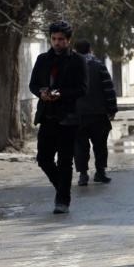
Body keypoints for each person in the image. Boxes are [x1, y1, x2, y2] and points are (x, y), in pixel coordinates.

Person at [29, 21, 87, 214]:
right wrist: (42, 92)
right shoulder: (42, 59)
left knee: (65, 161)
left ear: (68, 40)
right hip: (47, 115)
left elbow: (82, 89)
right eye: (54, 39)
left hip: (68, 118)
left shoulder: (77, 61)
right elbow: (33, 84)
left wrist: (62, 94)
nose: (57, 43)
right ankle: (62, 189)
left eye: (61, 39)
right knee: (44, 158)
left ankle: (62, 200)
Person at [73, 40, 117, 187]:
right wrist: (112, 109)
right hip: (98, 114)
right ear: (90, 50)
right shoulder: (99, 67)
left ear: (75, 50)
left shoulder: (70, 68)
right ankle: (100, 172)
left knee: (80, 146)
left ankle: (83, 175)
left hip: (78, 115)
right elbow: (109, 89)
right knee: (100, 145)